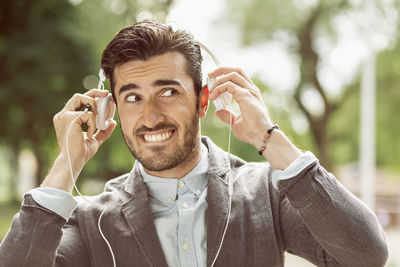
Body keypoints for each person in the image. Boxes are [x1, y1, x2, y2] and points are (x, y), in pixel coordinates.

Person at [0, 21, 388, 267]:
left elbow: (367, 255)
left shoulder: (267, 192)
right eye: (132, 97)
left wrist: (269, 139)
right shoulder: (90, 220)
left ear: (203, 101)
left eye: (167, 91)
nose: (150, 116)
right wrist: (66, 164)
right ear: (111, 110)